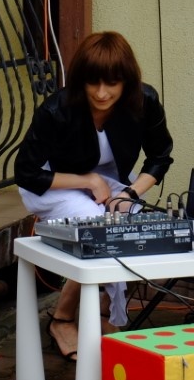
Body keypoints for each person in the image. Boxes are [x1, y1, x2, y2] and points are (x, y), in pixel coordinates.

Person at [15, 31, 173, 360]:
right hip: (51, 183)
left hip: (112, 181)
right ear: (80, 80)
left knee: (131, 227)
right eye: (92, 83)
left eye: (112, 83)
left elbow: (159, 158)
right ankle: (61, 320)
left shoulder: (144, 101)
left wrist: (129, 193)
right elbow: (26, 172)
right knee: (100, 230)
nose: (101, 93)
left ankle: (104, 308)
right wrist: (87, 180)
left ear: (126, 81)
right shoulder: (57, 109)